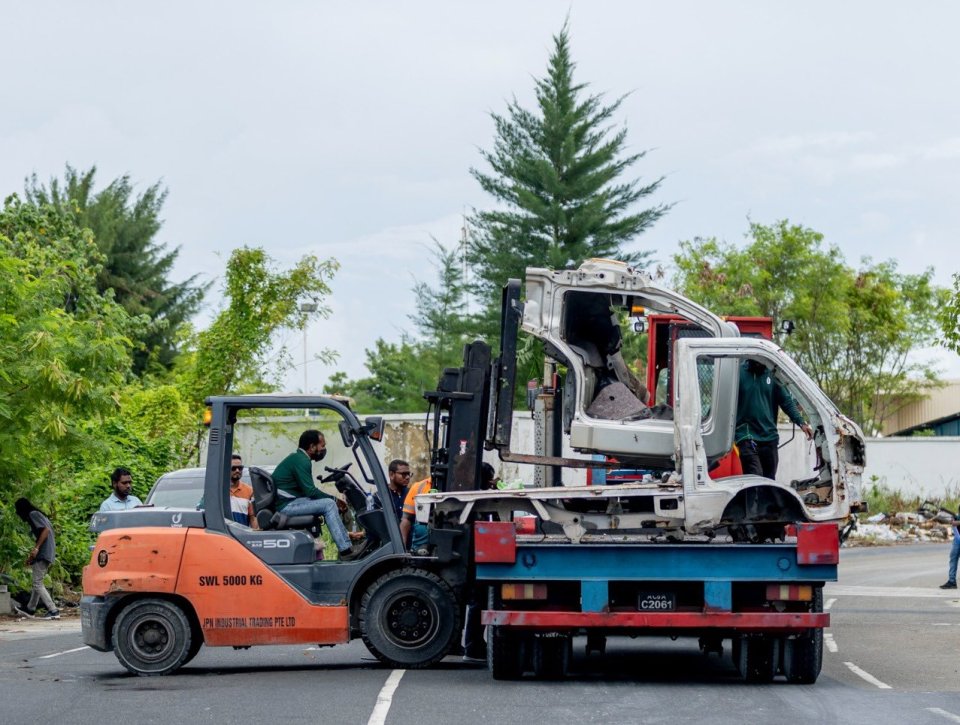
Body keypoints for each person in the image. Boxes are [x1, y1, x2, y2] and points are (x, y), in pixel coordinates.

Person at [271, 429, 357, 561]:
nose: (324, 449)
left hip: (291, 502)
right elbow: (311, 491)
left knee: (330, 503)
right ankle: (346, 550)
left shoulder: (298, 458)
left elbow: (308, 492)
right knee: (329, 504)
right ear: (312, 447)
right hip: (286, 506)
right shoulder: (301, 460)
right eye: (322, 446)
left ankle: (347, 544)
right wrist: (335, 499)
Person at [735, 359, 813, 480]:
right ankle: (753, 498)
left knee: (769, 480)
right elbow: (724, 398)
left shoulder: (772, 374)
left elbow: (786, 402)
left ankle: (767, 499)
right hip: (746, 435)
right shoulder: (739, 373)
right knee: (755, 477)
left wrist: (801, 423)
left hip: (769, 436)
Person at [13, 498, 60, 619]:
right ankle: (30, 608)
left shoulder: (33, 514)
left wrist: (36, 549)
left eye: (17, 511)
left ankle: (53, 610)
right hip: (47, 550)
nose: (17, 514)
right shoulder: (38, 514)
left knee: (37, 583)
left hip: (44, 551)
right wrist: (33, 555)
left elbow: (45, 531)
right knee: (37, 581)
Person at [399, 475, 433, 553]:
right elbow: (406, 519)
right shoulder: (419, 486)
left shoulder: (460, 487)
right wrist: (401, 549)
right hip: (420, 546)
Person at [228, 454, 257, 528]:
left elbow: (253, 519)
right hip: (220, 536)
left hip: (241, 536)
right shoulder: (217, 490)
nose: (237, 470)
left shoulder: (250, 491)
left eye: (240, 468)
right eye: (233, 468)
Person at [940, 511, 960, 589]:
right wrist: (953, 520)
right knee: (953, 559)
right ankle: (952, 581)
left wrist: (957, 522)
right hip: (957, 538)